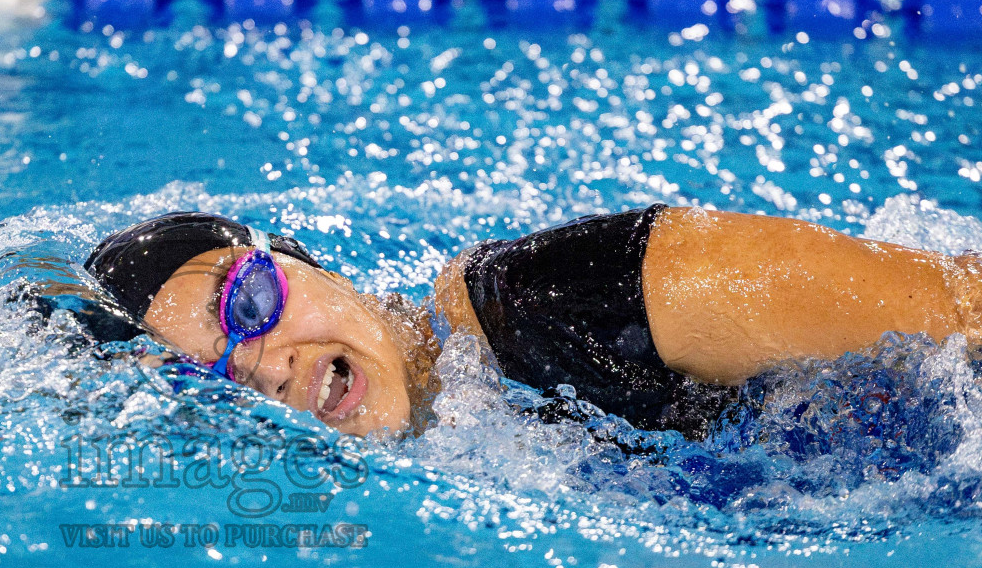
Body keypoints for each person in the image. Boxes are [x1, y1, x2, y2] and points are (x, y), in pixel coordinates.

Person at [79, 205, 982, 439]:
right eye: (214, 380)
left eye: (245, 304)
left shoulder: (579, 295)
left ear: (310, 259)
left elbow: (963, 306)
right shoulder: (463, 447)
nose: (265, 367)